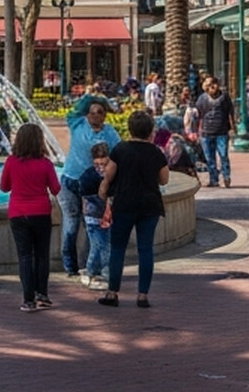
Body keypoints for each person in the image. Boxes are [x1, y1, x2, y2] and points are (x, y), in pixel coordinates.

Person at [98, 110, 170, 308]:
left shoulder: (120, 149)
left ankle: (112, 292)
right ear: (150, 131)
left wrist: (103, 193)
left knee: (118, 248)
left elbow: (108, 175)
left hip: (125, 204)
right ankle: (143, 295)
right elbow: (164, 179)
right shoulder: (156, 152)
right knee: (145, 249)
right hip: (150, 205)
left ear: (130, 129)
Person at [58, 92, 124, 283]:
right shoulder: (77, 124)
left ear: (105, 115)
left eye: (99, 112)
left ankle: (88, 265)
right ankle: (70, 266)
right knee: (71, 226)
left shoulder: (110, 133)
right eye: (92, 112)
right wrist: (90, 98)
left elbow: (119, 156)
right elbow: (74, 110)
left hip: (94, 187)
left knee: (92, 228)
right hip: (70, 181)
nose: (95, 115)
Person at [0, 122, 61, 312]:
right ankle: (42, 294)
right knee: (42, 255)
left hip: (18, 213)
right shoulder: (45, 164)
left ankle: (28, 299)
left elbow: (4, 187)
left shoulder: (11, 162)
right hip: (41, 212)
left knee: (25, 256)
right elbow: (56, 189)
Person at [75, 142, 113, 289]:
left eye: (104, 163)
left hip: (105, 215)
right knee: (103, 246)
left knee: (98, 246)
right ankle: (105, 273)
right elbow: (86, 196)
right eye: (98, 164)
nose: (101, 168)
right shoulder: (89, 176)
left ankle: (91, 271)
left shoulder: (109, 172)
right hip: (93, 216)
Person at [194, 77, 235, 188]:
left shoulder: (224, 97)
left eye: (213, 83)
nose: (212, 86)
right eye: (208, 84)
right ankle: (213, 179)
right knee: (209, 158)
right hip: (206, 132)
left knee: (223, 156)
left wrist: (233, 128)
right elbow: (198, 115)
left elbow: (230, 112)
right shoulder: (202, 98)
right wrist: (197, 131)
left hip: (221, 131)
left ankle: (226, 178)